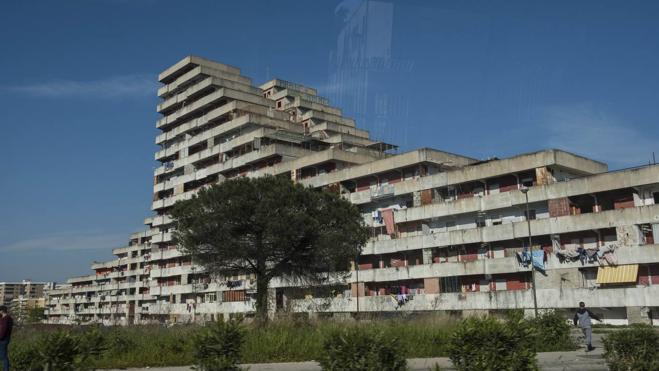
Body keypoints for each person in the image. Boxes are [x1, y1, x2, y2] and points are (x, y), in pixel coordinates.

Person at [0, 305, 13, 371]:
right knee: (2, 355)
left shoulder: (6, 319)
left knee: (3, 356)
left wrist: (0, 337)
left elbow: (3, 330)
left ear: (2, 311)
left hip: (3, 339)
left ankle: (6, 369)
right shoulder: (7, 318)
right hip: (5, 339)